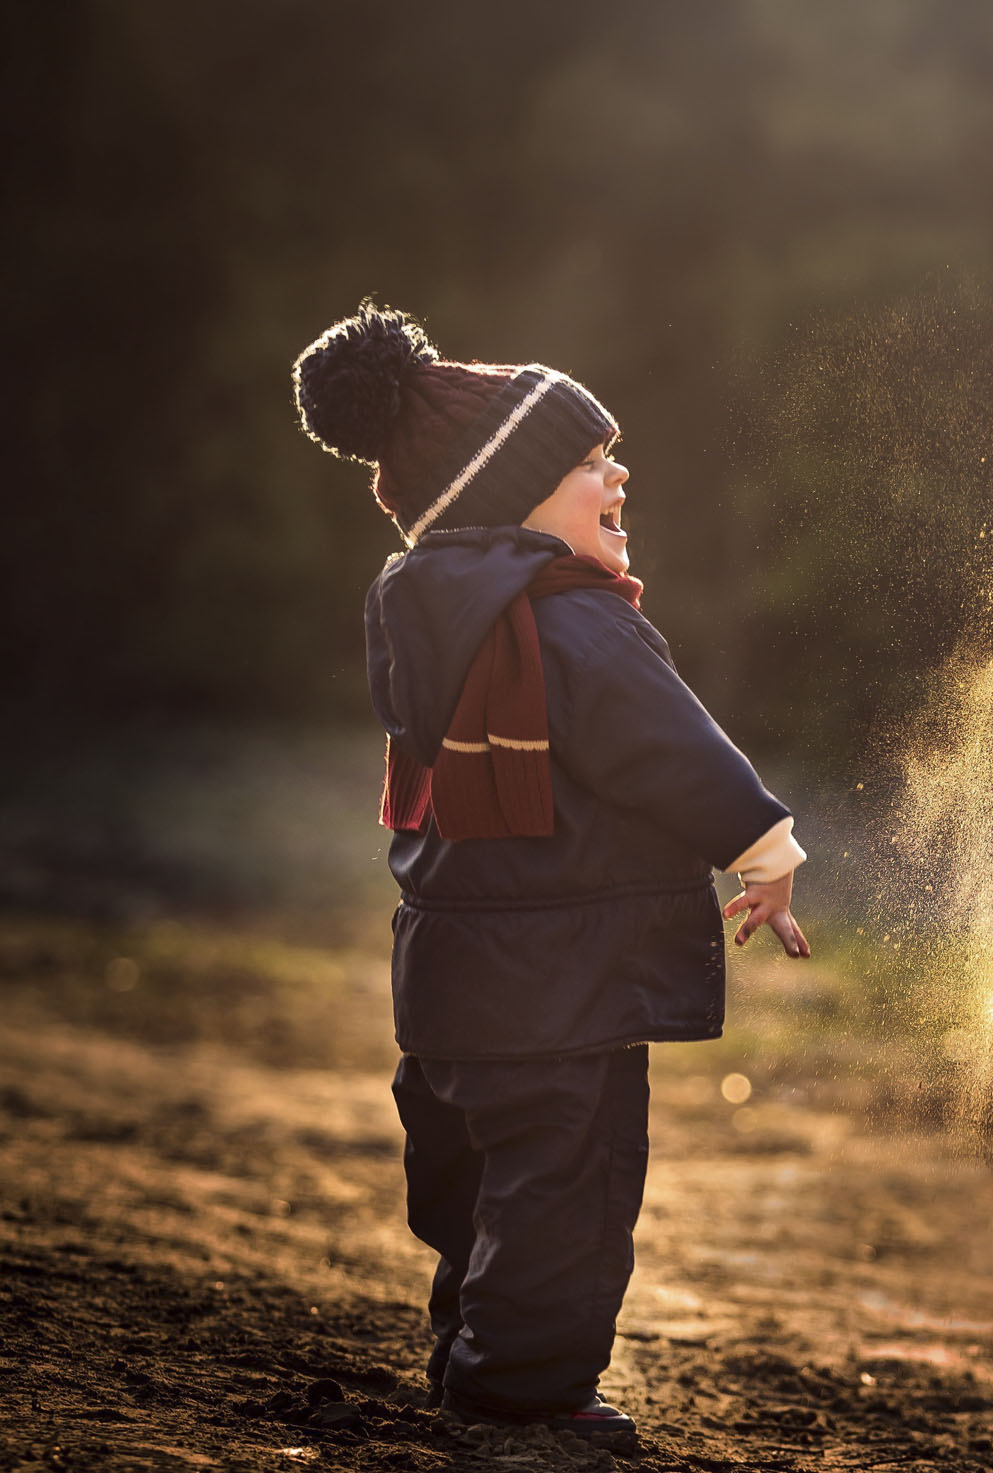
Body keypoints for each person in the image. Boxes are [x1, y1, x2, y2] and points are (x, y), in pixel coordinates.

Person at [290, 302, 809, 1446]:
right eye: (587, 462)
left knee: (476, 1191)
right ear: (504, 497)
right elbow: (666, 748)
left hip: (449, 981)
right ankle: (521, 1393)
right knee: (564, 1194)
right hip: (564, 982)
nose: (619, 475)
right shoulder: (571, 625)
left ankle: (471, 1354)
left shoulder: (416, 611)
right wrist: (763, 850)